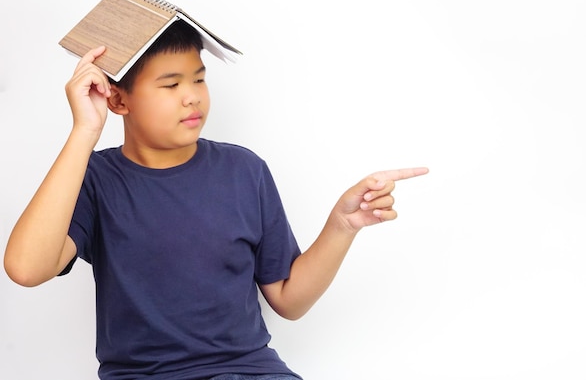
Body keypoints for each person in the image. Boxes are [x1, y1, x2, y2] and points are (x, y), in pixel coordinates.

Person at [4, 20, 428, 380]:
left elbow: (288, 300)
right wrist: (84, 133)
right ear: (118, 99)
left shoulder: (245, 171)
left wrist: (342, 225)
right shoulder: (94, 178)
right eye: (170, 84)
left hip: (252, 370)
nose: (192, 95)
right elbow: (26, 269)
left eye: (199, 78)